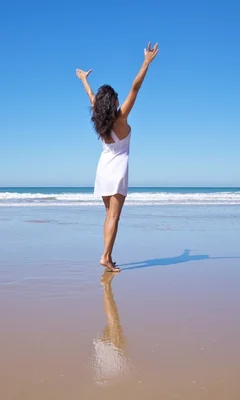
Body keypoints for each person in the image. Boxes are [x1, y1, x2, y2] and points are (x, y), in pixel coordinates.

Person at [76, 42, 159, 272]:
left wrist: (84, 79)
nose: (119, 100)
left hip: (103, 170)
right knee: (114, 217)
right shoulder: (120, 119)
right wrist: (146, 63)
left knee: (108, 215)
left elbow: (92, 96)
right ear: (112, 103)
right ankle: (105, 257)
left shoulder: (100, 119)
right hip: (117, 172)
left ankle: (107, 256)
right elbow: (135, 88)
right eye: (116, 98)